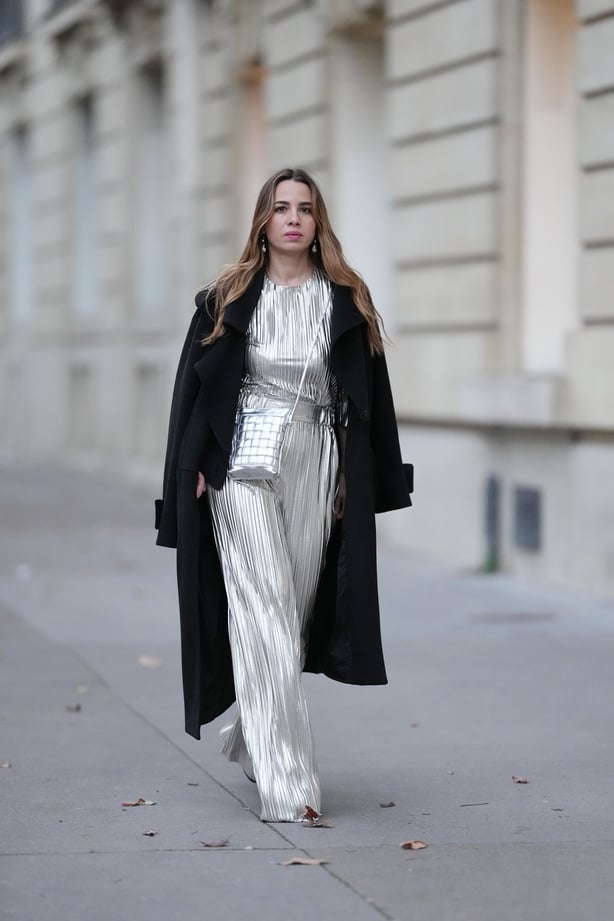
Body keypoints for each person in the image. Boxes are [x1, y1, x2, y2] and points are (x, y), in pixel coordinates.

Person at [155, 167, 413, 823]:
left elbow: (372, 403)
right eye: (280, 207)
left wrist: (364, 480)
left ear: (317, 222)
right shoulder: (227, 297)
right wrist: (192, 467)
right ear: (263, 223)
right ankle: (289, 782)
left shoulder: (345, 301)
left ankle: (251, 734)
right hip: (241, 461)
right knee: (264, 609)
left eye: (304, 208)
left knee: (287, 624)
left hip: (316, 460)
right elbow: (193, 393)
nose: (293, 218)